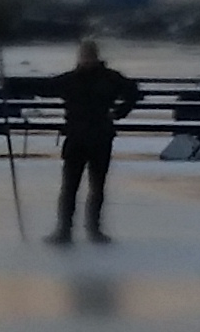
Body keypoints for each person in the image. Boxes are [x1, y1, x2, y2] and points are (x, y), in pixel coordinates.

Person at [22, 36, 147, 245]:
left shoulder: (110, 78)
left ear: (96, 57)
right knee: (70, 187)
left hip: (100, 138)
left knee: (97, 186)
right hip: (76, 138)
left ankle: (94, 229)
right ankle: (64, 230)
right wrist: (11, 84)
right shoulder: (71, 80)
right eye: (84, 56)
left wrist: (119, 112)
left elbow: (134, 93)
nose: (87, 60)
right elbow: (43, 87)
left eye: (90, 56)